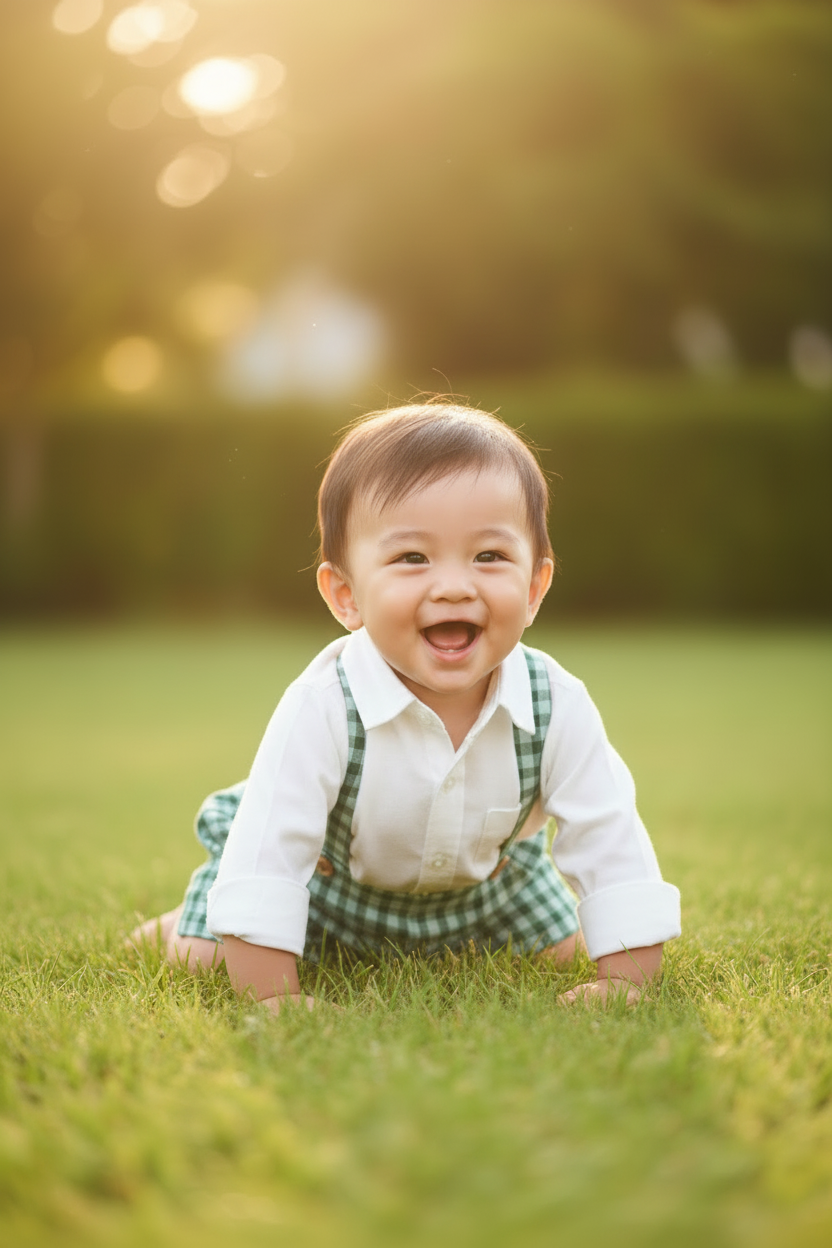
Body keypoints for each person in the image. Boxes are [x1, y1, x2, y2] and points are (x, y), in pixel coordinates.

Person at [130, 402, 681, 1009]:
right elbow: (269, 854)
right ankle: (176, 924)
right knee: (210, 956)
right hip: (325, 891)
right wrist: (272, 999)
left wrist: (626, 980)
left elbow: (609, 838)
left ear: (533, 588)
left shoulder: (557, 705)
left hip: (483, 894)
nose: (453, 585)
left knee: (561, 950)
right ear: (346, 596)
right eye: (412, 558)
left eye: (489, 556)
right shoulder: (324, 705)